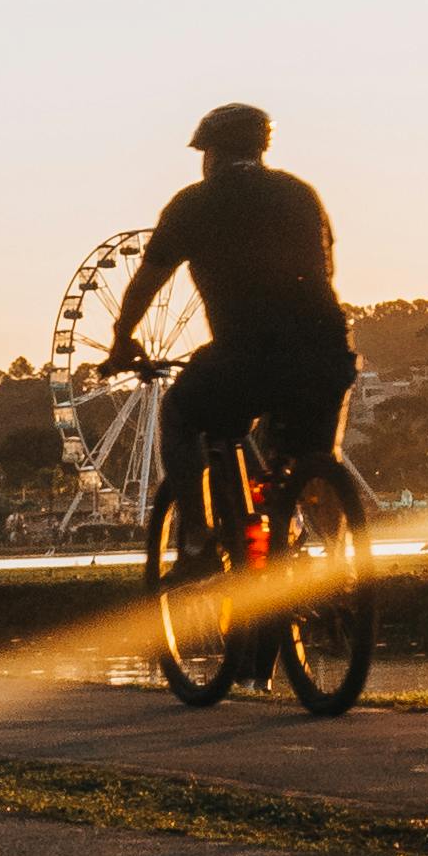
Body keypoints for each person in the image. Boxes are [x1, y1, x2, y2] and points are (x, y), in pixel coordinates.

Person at [104, 107, 354, 578]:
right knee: (315, 459)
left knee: (180, 412)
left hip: (246, 353)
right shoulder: (303, 195)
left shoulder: (193, 204)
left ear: (211, 154)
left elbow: (146, 282)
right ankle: (343, 571)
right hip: (325, 348)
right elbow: (327, 270)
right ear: (260, 148)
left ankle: (198, 542)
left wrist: (122, 341)